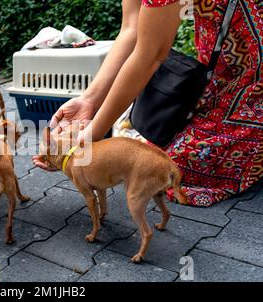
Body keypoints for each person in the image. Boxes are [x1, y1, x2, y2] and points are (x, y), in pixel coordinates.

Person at [33, 0, 262, 206]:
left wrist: (91, 136)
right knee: (149, 156)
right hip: (222, 70)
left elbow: (151, 55)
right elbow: (132, 29)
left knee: (169, 169)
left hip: (254, 75)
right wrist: (89, 100)